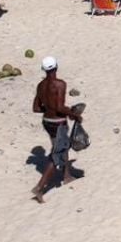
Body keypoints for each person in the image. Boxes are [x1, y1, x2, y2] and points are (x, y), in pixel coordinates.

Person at [31, 57, 82, 203]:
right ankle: (39, 188)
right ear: (56, 67)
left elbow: (35, 108)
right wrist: (74, 115)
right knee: (57, 155)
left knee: (61, 146)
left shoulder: (40, 86)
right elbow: (60, 107)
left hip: (47, 121)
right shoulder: (60, 84)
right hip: (58, 122)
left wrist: (49, 109)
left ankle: (66, 176)